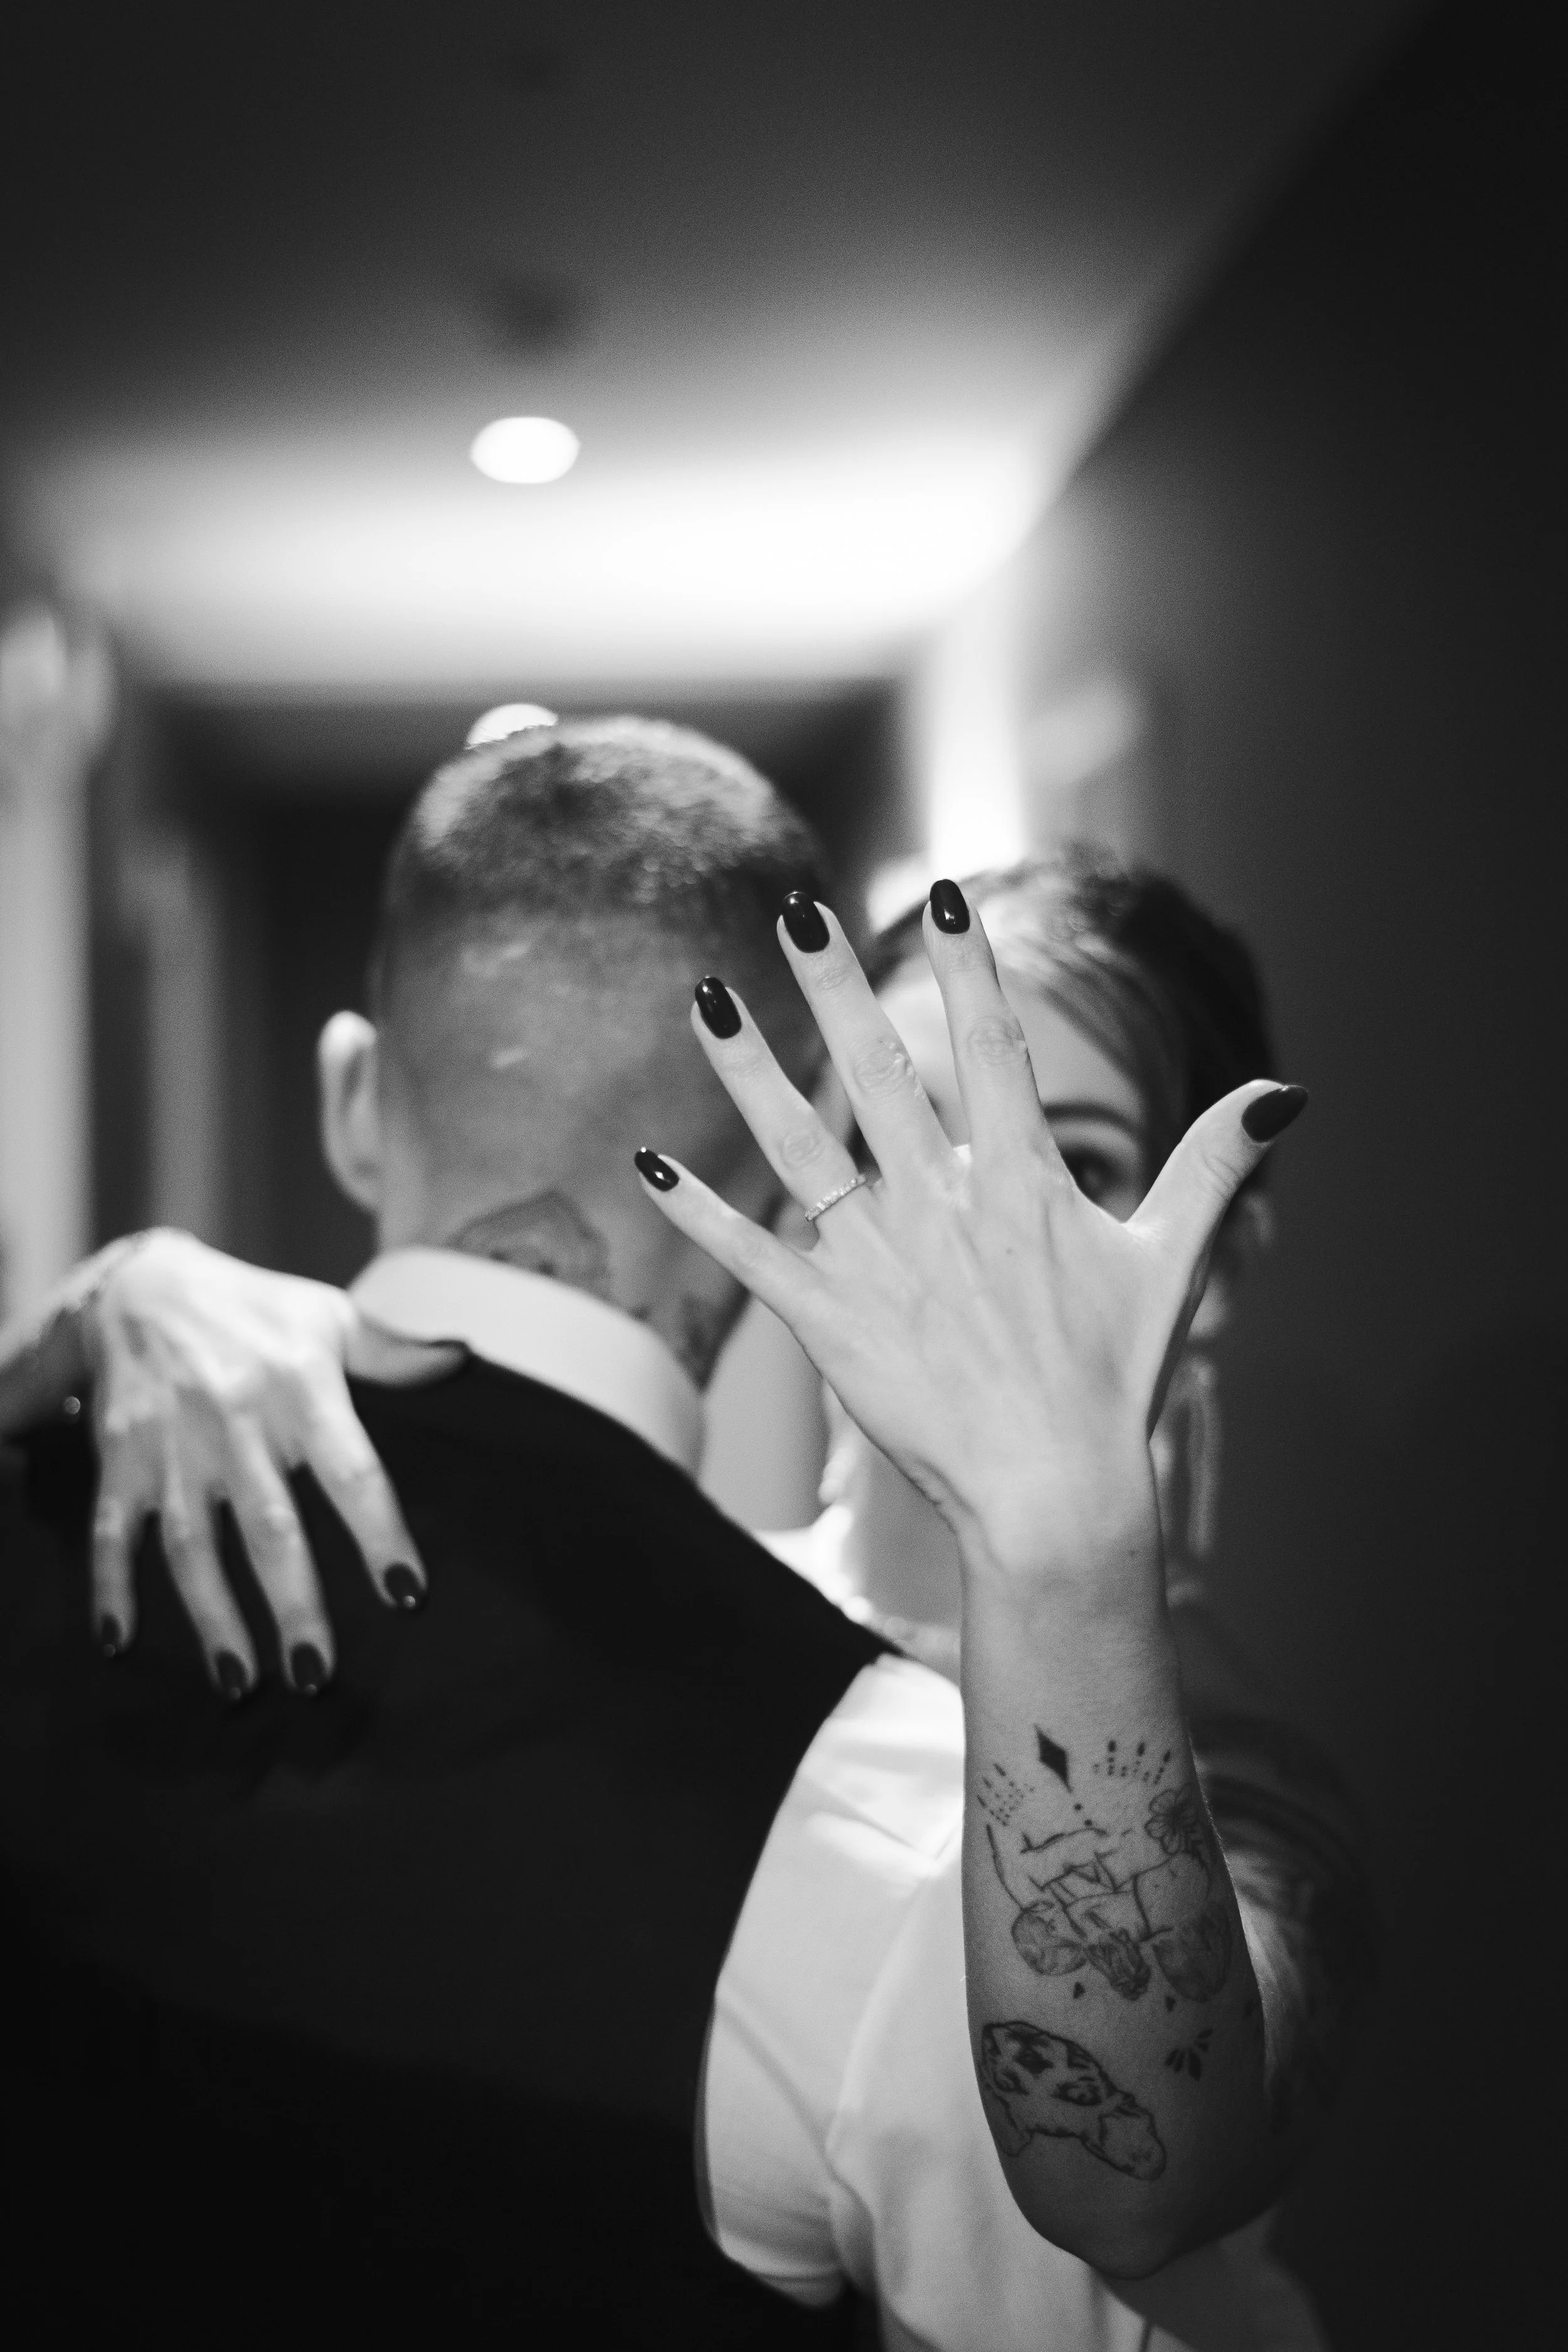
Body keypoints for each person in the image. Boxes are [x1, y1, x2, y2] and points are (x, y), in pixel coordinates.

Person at [0, 720, 1332, 2346]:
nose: (956, 1227)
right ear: (778, 1174)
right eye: (879, 1139)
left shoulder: (1152, 1778)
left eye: (1075, 1165)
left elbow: (1138, 2181)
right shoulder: (727, 1650)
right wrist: (123, 1285)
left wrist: (1059, 1542)